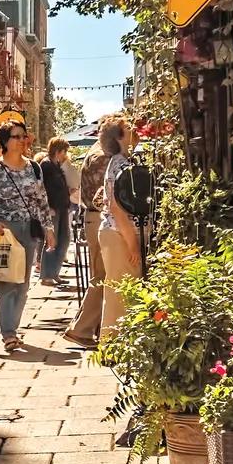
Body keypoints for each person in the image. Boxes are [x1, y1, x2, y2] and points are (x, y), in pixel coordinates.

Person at [0, 123, 53, 355]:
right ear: (5, 141)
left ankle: (13, 328)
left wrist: (48, 229)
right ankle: (8, 332)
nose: (22, 140)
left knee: (22, 283)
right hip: (6, 231)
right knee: (6, 282)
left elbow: (41, 201)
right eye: (16, 137)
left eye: (24, 136)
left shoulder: (34, 168)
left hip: (29, 230)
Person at [62, 123, 120, 346]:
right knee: (103, 276)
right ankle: (82, 329)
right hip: (99, 219)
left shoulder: (95, 152)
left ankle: (89, 327)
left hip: (93, 218)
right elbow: (104, 195)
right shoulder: (104, 157)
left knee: (101, 275)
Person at [97, 119, 152, 336]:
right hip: (120, 235)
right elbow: (117, 209)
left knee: (119, 291)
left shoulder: (120, 162)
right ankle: (112, 346)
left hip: (116, 234)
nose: (132, 132)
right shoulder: (120, 164)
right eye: (127, 129)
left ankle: (113, 345)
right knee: (120, 292)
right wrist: (132, 245)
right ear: (119, 137)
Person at [38, 137, 76, 288]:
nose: (65, 154)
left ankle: (54, 272)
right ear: (58, 151)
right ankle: (47, 275)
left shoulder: (57, 165)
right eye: (64, 151)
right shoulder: (46, 165)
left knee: (64, 239)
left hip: (62, 206)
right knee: (52, 241)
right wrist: (48, 207)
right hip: (53, 208)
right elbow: (43, 188)